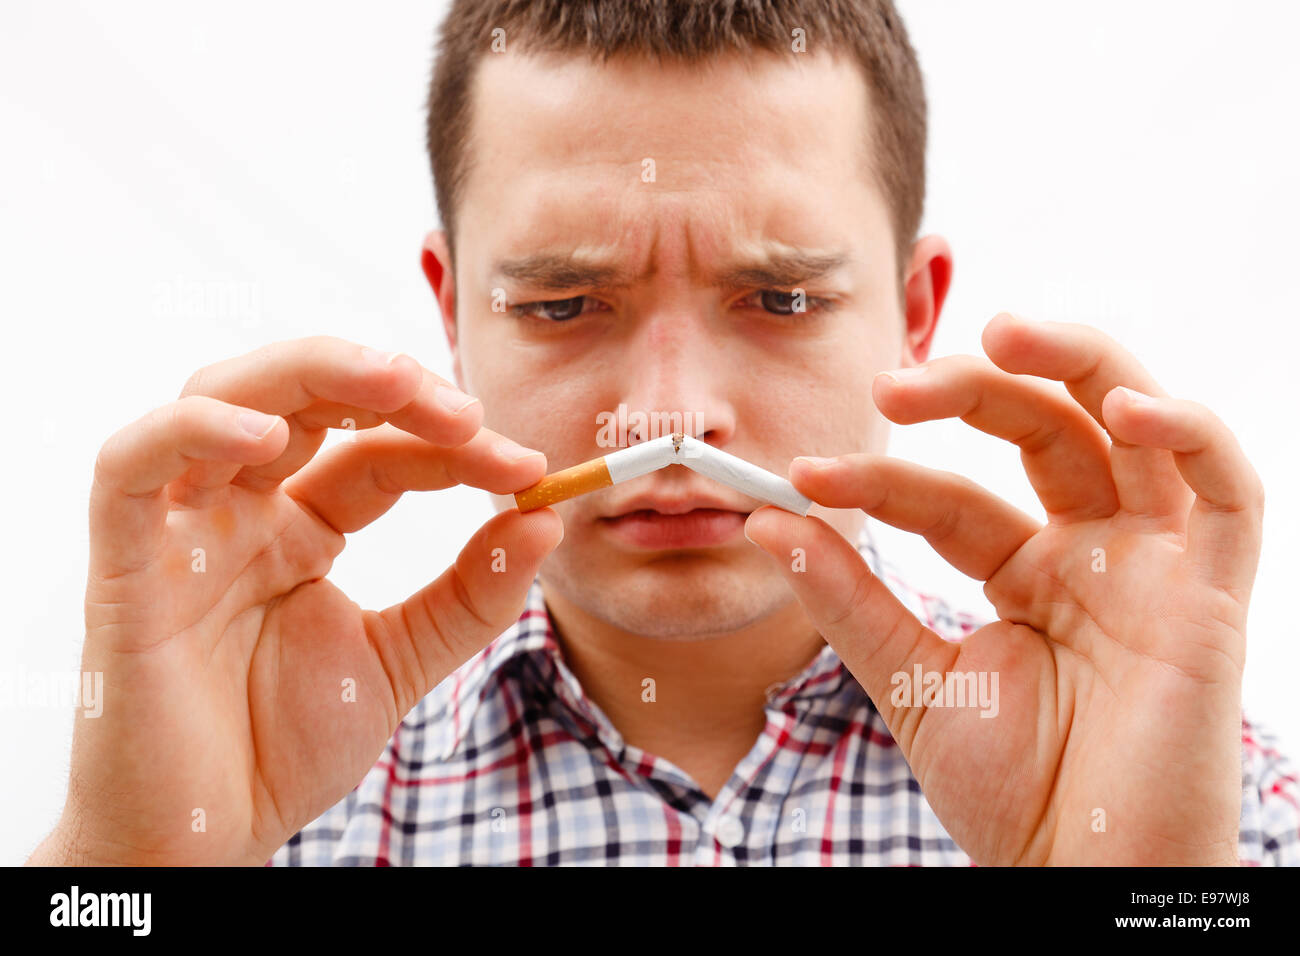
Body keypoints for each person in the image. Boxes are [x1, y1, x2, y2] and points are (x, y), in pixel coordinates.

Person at [26, 0, 1299, 867]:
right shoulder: (276, 788)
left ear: (915, 312)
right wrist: (125, 867)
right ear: (454, 318)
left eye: (782, 298)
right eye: (564, 303)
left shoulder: (1199, 791)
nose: (669, 416)